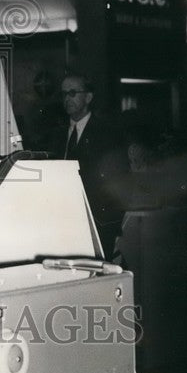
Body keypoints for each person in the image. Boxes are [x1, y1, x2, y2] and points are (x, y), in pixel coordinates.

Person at [50, 72, 128, 258]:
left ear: (89, 97)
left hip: (98, 225)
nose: (67, 98)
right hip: (64, 223)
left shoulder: (108, 134)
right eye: (63, 94)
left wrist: (113, 229)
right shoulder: (56, 136)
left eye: (73, 92)